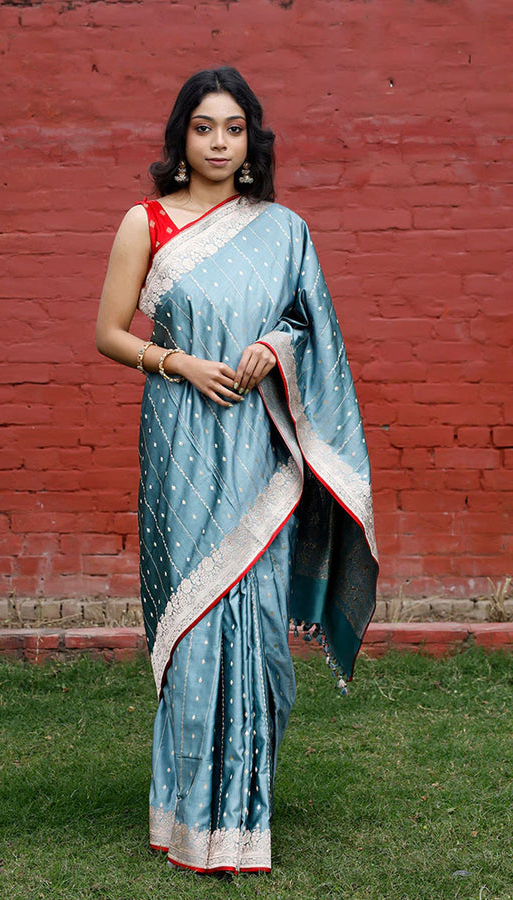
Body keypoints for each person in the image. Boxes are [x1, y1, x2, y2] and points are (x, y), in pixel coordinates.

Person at [96, 67, 378, 876]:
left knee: (254, 628)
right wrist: (178, 361)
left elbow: (309, 325)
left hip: (258, 445)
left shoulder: (283, 228)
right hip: (182, 440)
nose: (220, 143)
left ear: (252, 141)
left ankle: (243, 819)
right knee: (193, 618)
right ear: (180, 138)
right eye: (204, 128)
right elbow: (109, 332)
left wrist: (272, 348)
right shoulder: (144, 223)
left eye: (234, 129)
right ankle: (187, 822)